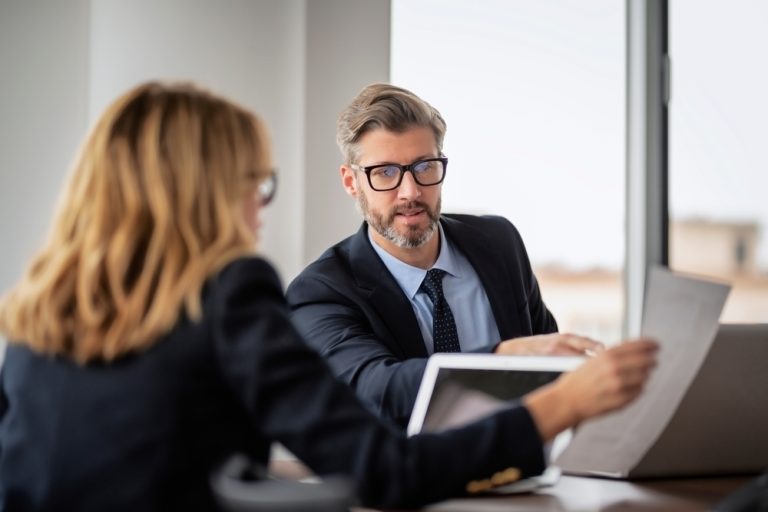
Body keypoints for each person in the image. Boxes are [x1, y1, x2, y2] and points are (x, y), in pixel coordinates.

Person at [0, 81, 657, 511]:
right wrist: (559, 404)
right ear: (201, 192)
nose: (258, 214)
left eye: (425, 168)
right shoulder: (240, 294)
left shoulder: (40, 309)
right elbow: (384, 470)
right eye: (254, 187)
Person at [286, 83, 613, 426]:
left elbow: (548, 366)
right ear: (351, 182)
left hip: (525, 467)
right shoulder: (320, 291)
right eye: (385, 172)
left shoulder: (499, 244)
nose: (410, 192)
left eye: (424, 166)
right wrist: (502, 358)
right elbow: (377, 389)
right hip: (414, 477)